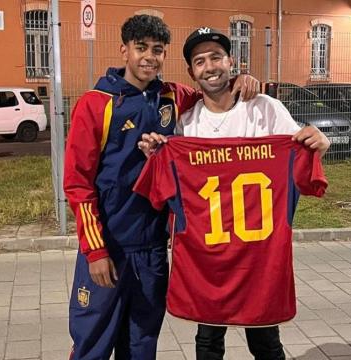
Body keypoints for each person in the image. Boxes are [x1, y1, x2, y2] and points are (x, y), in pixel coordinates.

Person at [63, 15, 260, 360]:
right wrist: (95, 251)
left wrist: (243, 78)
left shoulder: (172, 97)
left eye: (157, 50)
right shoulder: (95, 104)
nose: (149, 57)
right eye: (141, 48)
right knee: (91, 345)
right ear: (124, 50)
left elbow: (211, 89)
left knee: (141, 344)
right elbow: (78, 185)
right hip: (109, 247)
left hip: (153, 249)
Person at [138, 27, 330, 360]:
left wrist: (319, 145)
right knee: (208, 339)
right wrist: (156, 155)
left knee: (265, 341)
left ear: (232, 61)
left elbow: (298, 155)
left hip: (258, 255)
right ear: (191, 73)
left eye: (216, 57)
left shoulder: (265, 107)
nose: (209, 66)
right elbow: (168, 181)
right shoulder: (186, 124)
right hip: (209, 257)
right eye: (200, 61)